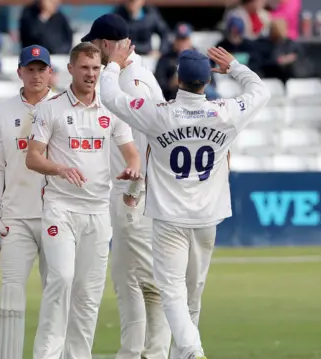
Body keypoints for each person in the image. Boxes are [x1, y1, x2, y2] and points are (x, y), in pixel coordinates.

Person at [99, 42, 270, 359]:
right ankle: (184, 353)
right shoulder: (226, 113)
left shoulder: (158, 114)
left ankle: (192, 350)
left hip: (169, 219)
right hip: (208, 217)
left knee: (172, 290)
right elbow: (261, 91)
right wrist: (233, 66)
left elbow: (110, 97)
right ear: (207, 80)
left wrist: (114, 65)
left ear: (177, 78)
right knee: (194, 292)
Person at [26, 42, 141, 359]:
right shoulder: (51, 109)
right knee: (61, 279)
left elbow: (132, 153)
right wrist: (60, 168)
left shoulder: (111, 110)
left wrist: (133, 168)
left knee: (88, 294)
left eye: (96, 68)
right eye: (85, 68)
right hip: (60, 209)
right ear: (71, 69)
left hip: (97, 212)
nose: (91, 74)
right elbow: (33, 158)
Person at [82, 13, 171, 359]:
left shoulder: (130, 81)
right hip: (130, 191)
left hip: (135, 192)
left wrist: (136, 191)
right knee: (126, 278)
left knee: (146, 279)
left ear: (106, 45)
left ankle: (154, 352)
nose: (92, 52)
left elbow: (147, 142)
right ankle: (134, 351)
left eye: (95, 44)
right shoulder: (136, 74)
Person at [0, 45, 53, 359]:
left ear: (51, 72)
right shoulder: (3, 110)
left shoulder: (66, 106)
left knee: (58, 295)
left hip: (58, 215)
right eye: (30, 69)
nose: (36, 75)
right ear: (19, 72)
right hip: (17, 216)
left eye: (42, 69)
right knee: (11, 293)